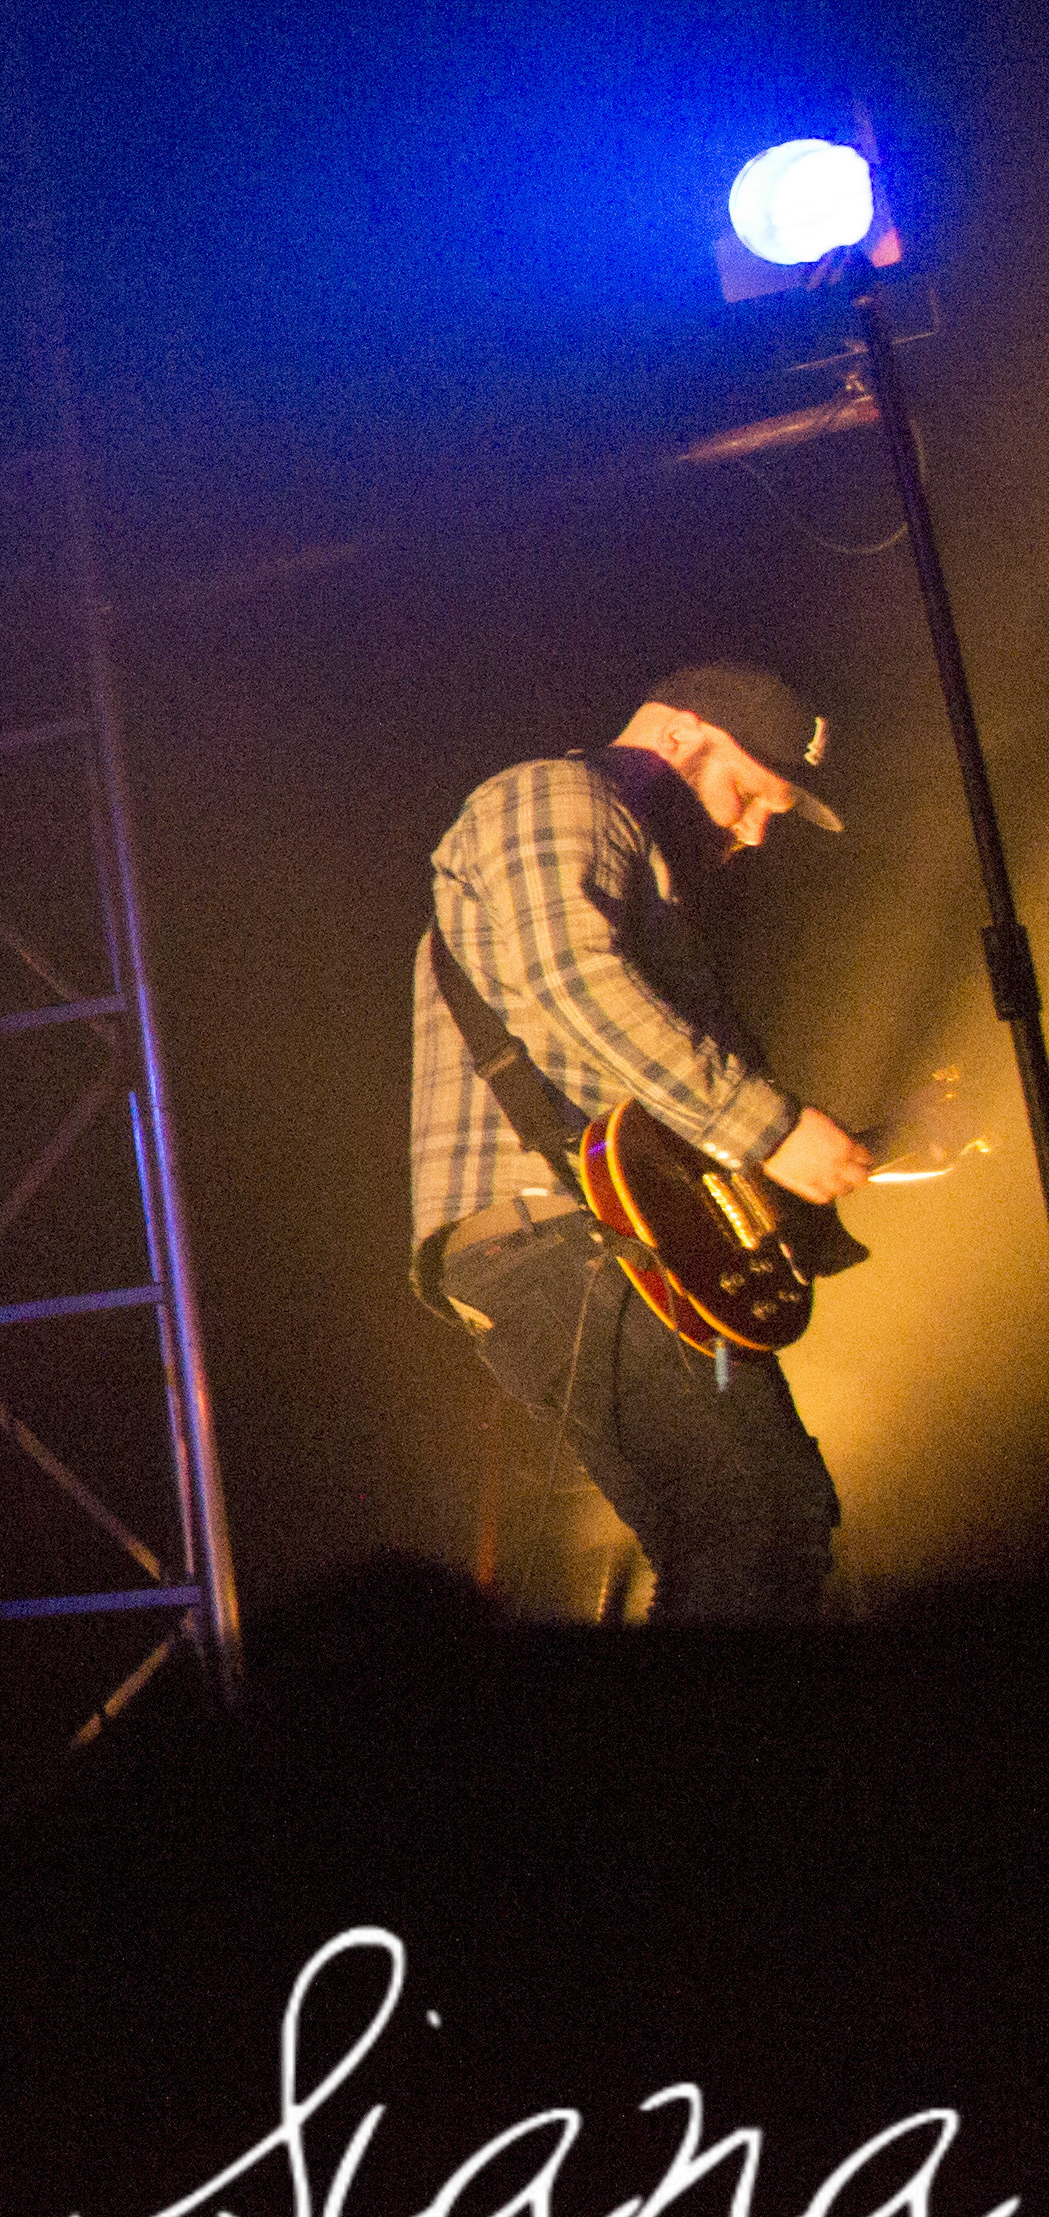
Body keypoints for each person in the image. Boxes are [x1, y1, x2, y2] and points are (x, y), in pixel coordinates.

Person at [411, 661, 873, 1624]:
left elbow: (644, 1097)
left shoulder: (641, 867)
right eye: (747, 792)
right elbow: (575, 989)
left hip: (612, 1235)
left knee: (757, 1528)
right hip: (557, 1235)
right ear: (679, 736)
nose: (752, 831)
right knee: (758, 1525)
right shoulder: (553, 795)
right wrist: (772, 1130)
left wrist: (792, 1198)